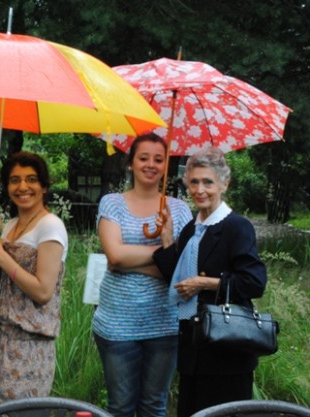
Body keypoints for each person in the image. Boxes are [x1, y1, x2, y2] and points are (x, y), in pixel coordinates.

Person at [153, 146, 267, 417]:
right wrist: (168, 237)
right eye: (194, 182)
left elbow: (254, 282)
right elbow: (178, 280)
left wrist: (205, 284)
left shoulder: (236, 227)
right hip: (193, 347)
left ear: (224, 184)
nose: (199, 189)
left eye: (208, 182)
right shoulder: (192, 228)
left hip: (226, 352)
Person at [92, 133, 192, 417]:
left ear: (166, 165)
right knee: (120, 408)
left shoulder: (180, 210)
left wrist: (166, 240)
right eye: (144, 158)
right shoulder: (112, 203)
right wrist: (164, 252)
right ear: (131, 163)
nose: (151, 164)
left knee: (153, 407)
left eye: (159, 159)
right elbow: (114, 256)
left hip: (165, 325)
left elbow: (181, 271)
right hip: (117, 325)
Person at [0, 151, 69, 405]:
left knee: (21, 412)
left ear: (44, 186)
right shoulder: (9, 226)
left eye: (31, 179)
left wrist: (2, 256)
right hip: (1, 338)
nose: (22, 187)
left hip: (31, 342)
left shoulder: (50, 226)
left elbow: (43, 291)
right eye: (14, 180)